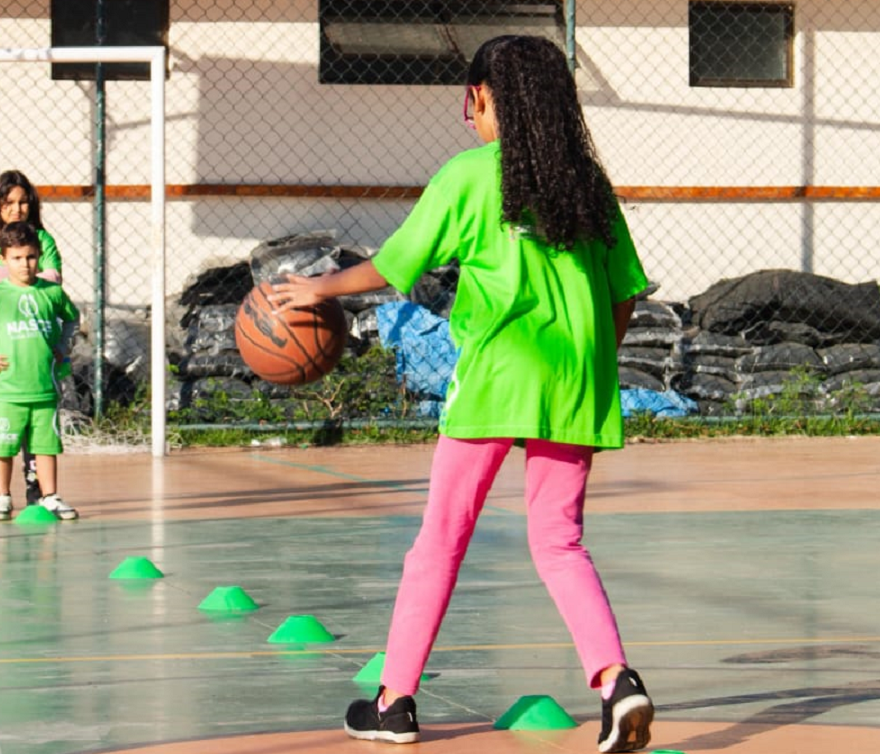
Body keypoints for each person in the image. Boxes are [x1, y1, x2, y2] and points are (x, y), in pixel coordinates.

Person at [270, 35, 654, 752]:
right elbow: (624, 294)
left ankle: (394, 703)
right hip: (576, 377)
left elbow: (396, 263)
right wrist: (589, 360)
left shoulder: (473, 176)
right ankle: (615, 681)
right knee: (560, 541)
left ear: (481, 98)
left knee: (441, 539)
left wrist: (316, 285)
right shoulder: (586, 185)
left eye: (467, 103)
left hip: (497, 374)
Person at [0, 221, 80, 522]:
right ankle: (1, 496)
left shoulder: (52, 293)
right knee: (2, 444)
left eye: (30, 257)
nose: (24, 264)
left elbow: (72, 319)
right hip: (6, 389)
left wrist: (64, 346)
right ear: (3, 260)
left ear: (39, 256)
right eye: (16, 258)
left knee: (45, 445)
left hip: (43, 387)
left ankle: (50, 495)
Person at [0, 170, 64, 505]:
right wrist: (24, 273)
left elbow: (54, 277)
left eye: (24, 202)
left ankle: (37, 483)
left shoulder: (43, 239)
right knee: (2, 423)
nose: (17, 209)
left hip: (33, 346)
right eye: (9, 202)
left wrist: (14, 272)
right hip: (0, 345)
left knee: (37, 423)